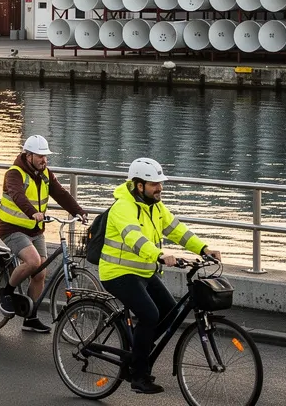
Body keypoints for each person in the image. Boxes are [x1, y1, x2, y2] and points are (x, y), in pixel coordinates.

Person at [99, 158, 221, 395]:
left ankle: (138, 350)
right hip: (117, 273)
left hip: (144, 271)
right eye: (154, 184)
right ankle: (139, 375)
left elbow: (177, 230)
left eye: (160, 183)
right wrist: (159, 255)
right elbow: (134, 238)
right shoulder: (123, 207)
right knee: (150, 314)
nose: (160, 188)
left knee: (170, 312)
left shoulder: (155, 206)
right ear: (139, 185)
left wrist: (203, 248)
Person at [0, 135, 87, 333]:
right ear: (28, 156)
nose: (44, 160)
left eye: (45, 156)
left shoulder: (45, 173)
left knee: (40, 274)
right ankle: (5, 292)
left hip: (35, 230)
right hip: (11, 228)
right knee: (34, 262)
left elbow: (60, 193)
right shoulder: (14, 173)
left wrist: (79, 212)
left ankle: (30, 318)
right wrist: (32, 212)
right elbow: (17, 195)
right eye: (40, 156)